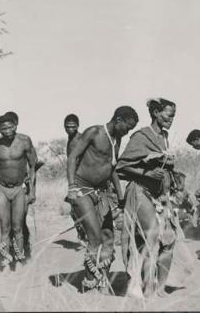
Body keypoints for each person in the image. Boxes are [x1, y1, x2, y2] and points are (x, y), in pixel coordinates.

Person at [66, 106, 138, 293]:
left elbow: (111, 167)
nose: (127, 132)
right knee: (95, 237)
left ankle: (103, 279)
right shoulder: (94, 132)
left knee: (108, 236)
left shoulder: (117, 138)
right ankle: (89, 283)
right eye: (127, 127)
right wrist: (72, 187)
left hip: (102, 191)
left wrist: (120, 195)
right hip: (82, 189)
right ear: (118, 120)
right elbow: (73, 157)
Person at [116, 98, 180, 298]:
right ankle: (145, 286)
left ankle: (159, 285)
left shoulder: (165, 137)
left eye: (174, 116)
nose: (171, 120)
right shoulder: (141, 136)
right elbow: (121, 166)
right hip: (141, 191)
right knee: (150, 235)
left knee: (169, 240)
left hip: (162, 196)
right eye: (168, 115)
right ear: (156, 113)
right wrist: (147, 174)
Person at [0, 113, 37, 267]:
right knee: (4, 227)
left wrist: (32, 191)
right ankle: (6, 256)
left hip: (19, 189)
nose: (7, 130)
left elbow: (33, 166)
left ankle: (20, 257)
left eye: (10, 127)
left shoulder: (25, 141)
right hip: (3, 190)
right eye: (3, 128)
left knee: (18, 226)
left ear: (15, 125)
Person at [62, 113, 88, 244]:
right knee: (74, 210)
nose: (70, 129)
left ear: (78, 126)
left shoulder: (80, 139)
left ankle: (86, 235)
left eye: (73, 126)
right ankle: (82, 233)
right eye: (67, 127)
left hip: (83, 177)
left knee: (80, 208)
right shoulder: (70, 140)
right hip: (75, 177)